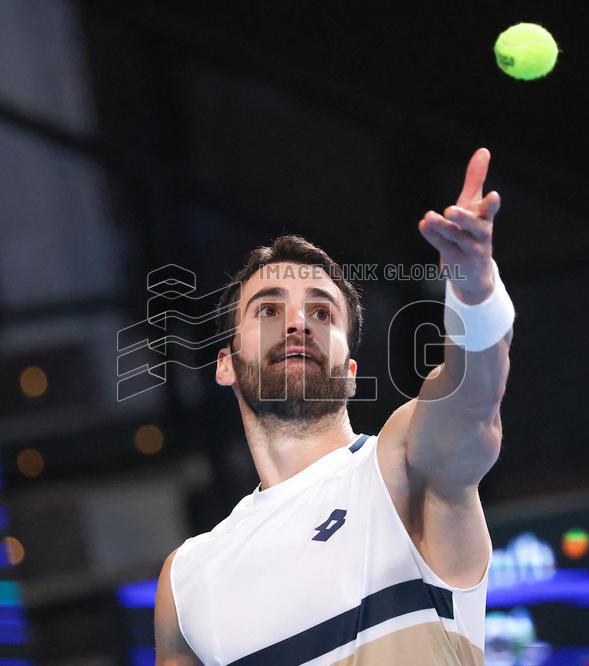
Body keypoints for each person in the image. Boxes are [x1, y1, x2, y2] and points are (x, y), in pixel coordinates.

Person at [155, 148, 514, 666]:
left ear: (350, 372)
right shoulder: (186, 581)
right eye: (269, 309)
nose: (298, 324)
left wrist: (475, 291)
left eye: (322, 313)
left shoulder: (400, 468)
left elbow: (472, 400)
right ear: (226, 364)